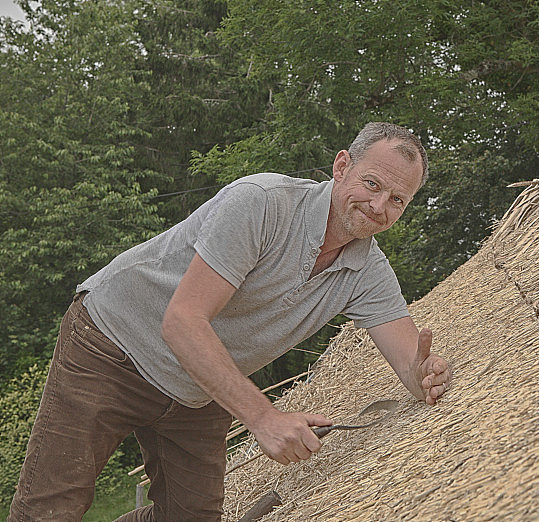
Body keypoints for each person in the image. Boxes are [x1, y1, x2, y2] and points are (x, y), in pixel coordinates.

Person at [9, 122, 452, 521]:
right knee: (51, 507)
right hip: (112, 347)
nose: (379, 206)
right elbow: (182, 322)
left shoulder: (369, 272)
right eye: (371, 183)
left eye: (397, 199)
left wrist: (423, 375)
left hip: (201, 386)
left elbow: (410, 364)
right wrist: (264, 417)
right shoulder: (260, 204)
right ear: (341, 166)